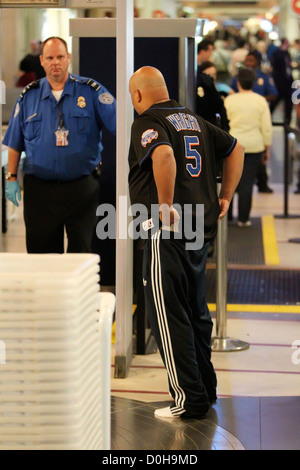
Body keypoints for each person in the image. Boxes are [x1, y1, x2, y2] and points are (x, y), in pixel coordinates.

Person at [128, 66, 244, 419]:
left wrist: (163, 205)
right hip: (198, 229)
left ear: (137, 96)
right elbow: (235, 148)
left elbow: (162, 156)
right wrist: (225, 196)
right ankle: (205, 390)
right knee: (195, 312)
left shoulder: (148, 121)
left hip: (166, 232)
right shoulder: (190, 118)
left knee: (168, 313)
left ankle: (188, 398)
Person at [4, 36, 116, 254]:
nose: (55, 62)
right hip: (40, 192)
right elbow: (15, 142)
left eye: (60, 57)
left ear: (69, 59)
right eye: (50, 57)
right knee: (41, 258)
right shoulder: (28, 96)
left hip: (81, 189)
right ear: (42, 61)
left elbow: (121, 125)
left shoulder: (91, 91)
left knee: (81, 254)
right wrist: (11, 178)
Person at [224, 67, 272, 227]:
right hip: (254, 145)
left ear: (238, 82)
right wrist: (267, 147)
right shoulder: (260, 100)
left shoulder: (229, 100)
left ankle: (227, 216)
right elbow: (266, 127)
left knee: (229, 181)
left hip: (232, 145)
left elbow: (223, 124)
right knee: (247, 183)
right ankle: (244, 219)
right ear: (253, 83)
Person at [231, 51, 278, 193]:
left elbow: (274, 94)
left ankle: (262, 184)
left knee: (258, 164)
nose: (248, 63)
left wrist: (258, 100)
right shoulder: (236, 78)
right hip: (239, 132)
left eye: (251, 60)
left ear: (257, 61)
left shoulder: (264, 78)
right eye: (247, 60)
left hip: (255, 126)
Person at [196, 61, 230, 132]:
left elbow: (220, 109)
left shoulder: (220, 88)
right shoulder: (199, 88)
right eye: (208, 74)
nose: (212, 77)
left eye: (214, 74)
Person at [270, 38, 294, 125]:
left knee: (289, 103)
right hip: (279, 82)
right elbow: (275, 66)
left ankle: (287, 121)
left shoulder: (287, 53)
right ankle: (268, 117)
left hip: (288, 82)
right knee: (275, 101)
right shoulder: (277, 53)